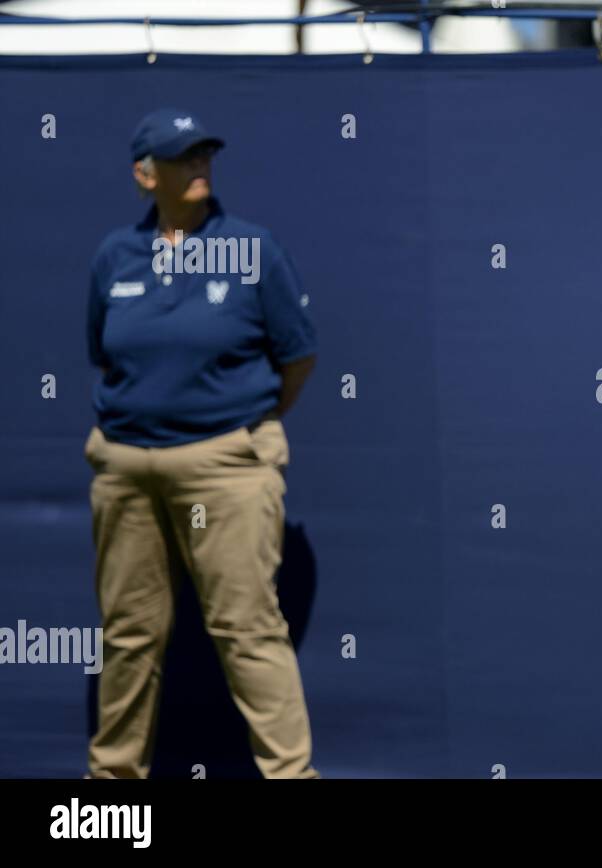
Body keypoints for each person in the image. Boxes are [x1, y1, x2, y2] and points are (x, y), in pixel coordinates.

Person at [83, 108, 320, 778]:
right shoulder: (114, 256)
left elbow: (296, 357)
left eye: (204, 155)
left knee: (248, 632)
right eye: (182, 157)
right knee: (128, 638)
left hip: (225, 466)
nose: (198, 168)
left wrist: (242, 428)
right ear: (144, 174)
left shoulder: (253, 248)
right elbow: (106, 355)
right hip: (127, 468)